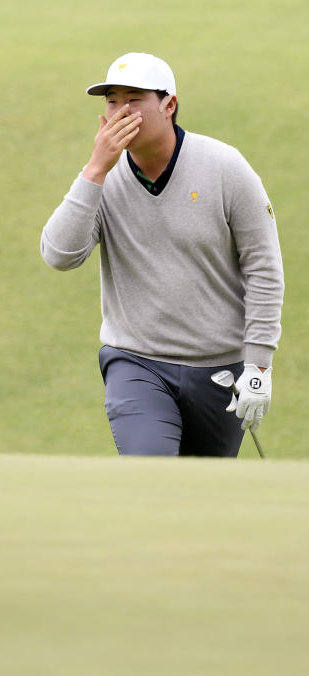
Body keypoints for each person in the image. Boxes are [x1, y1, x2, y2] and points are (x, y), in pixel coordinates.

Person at [40, 52, 284, 456]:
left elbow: (262, 267)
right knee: (150, 471)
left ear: (169, 105)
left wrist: (258, 365)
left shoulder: (225, 167)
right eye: (112, 101)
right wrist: (95, 170)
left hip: (220, 369)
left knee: (203, 496)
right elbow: (59, 254)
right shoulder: (103, 180)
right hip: (136, 362)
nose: (121, 112)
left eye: (134, 99)